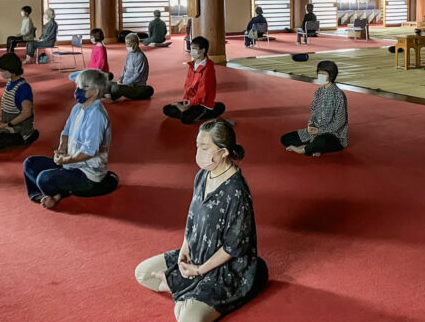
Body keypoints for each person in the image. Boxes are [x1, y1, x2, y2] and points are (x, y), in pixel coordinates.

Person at [135, 119, 268, 322]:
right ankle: (185, 290)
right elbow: (193, 218)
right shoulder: (202, 175)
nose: (199, 152)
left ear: (223, 152)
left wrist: (198, 271)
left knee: (189, 319)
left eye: (205, 147)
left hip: (223, 268)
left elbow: (233, 247)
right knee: (143, 273)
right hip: (196, 254)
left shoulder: (236, 192)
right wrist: (184, 251)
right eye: (198, 146)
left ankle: (184, 289)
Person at [23, 69, 115, 209]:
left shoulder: (97, 116)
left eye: (81, 87)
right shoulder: (78, 108)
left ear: (94, 92)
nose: (77, 90)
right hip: (70, 164)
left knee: (44, 178)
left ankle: (59, 193)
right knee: (30, 163)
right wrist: (61, 150)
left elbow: (88, 152)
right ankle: (45, 195)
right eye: (77, 86)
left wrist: (64, 160)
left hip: (87, 174)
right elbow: (65, 133)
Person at [281, 60, 348, 157]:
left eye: (323, 74)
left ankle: (303, 149)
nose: (320, 76)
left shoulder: (338, 95)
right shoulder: (319, 92)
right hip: (314, 132)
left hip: (332, 134)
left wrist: (320, 131)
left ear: (331, 75)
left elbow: (339, 122)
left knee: (321, 141)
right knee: (285, 139)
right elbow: (313, 113)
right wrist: (310, 126)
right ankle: (311, 147)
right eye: (319, 73)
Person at [164, 36, 226, 124]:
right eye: (191, 48)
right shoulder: (192, 65)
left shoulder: (208, 68)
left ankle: (209, 110)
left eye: (194, 48)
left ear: (203, 50)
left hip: (202, 103)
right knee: (166, 109)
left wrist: (189, 104)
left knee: (186, 118)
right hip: (190, 101)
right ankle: (186, 111)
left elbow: (203, 92)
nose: (191, 50)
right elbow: (187, 85)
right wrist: (186, 99)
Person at [108, 33, 154, 101]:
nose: (126, 46)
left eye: (128, 44)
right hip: (125, 83)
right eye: (126, 43)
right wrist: (121, 79)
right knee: (107, 83)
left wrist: (124, 83)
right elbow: (125, 68)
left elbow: (137, 75)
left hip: (135, 87)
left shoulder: (140, 56)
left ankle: (109, 95)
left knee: (117, 88)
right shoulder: (130, 54)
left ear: (135, 44)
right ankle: (109, 92)